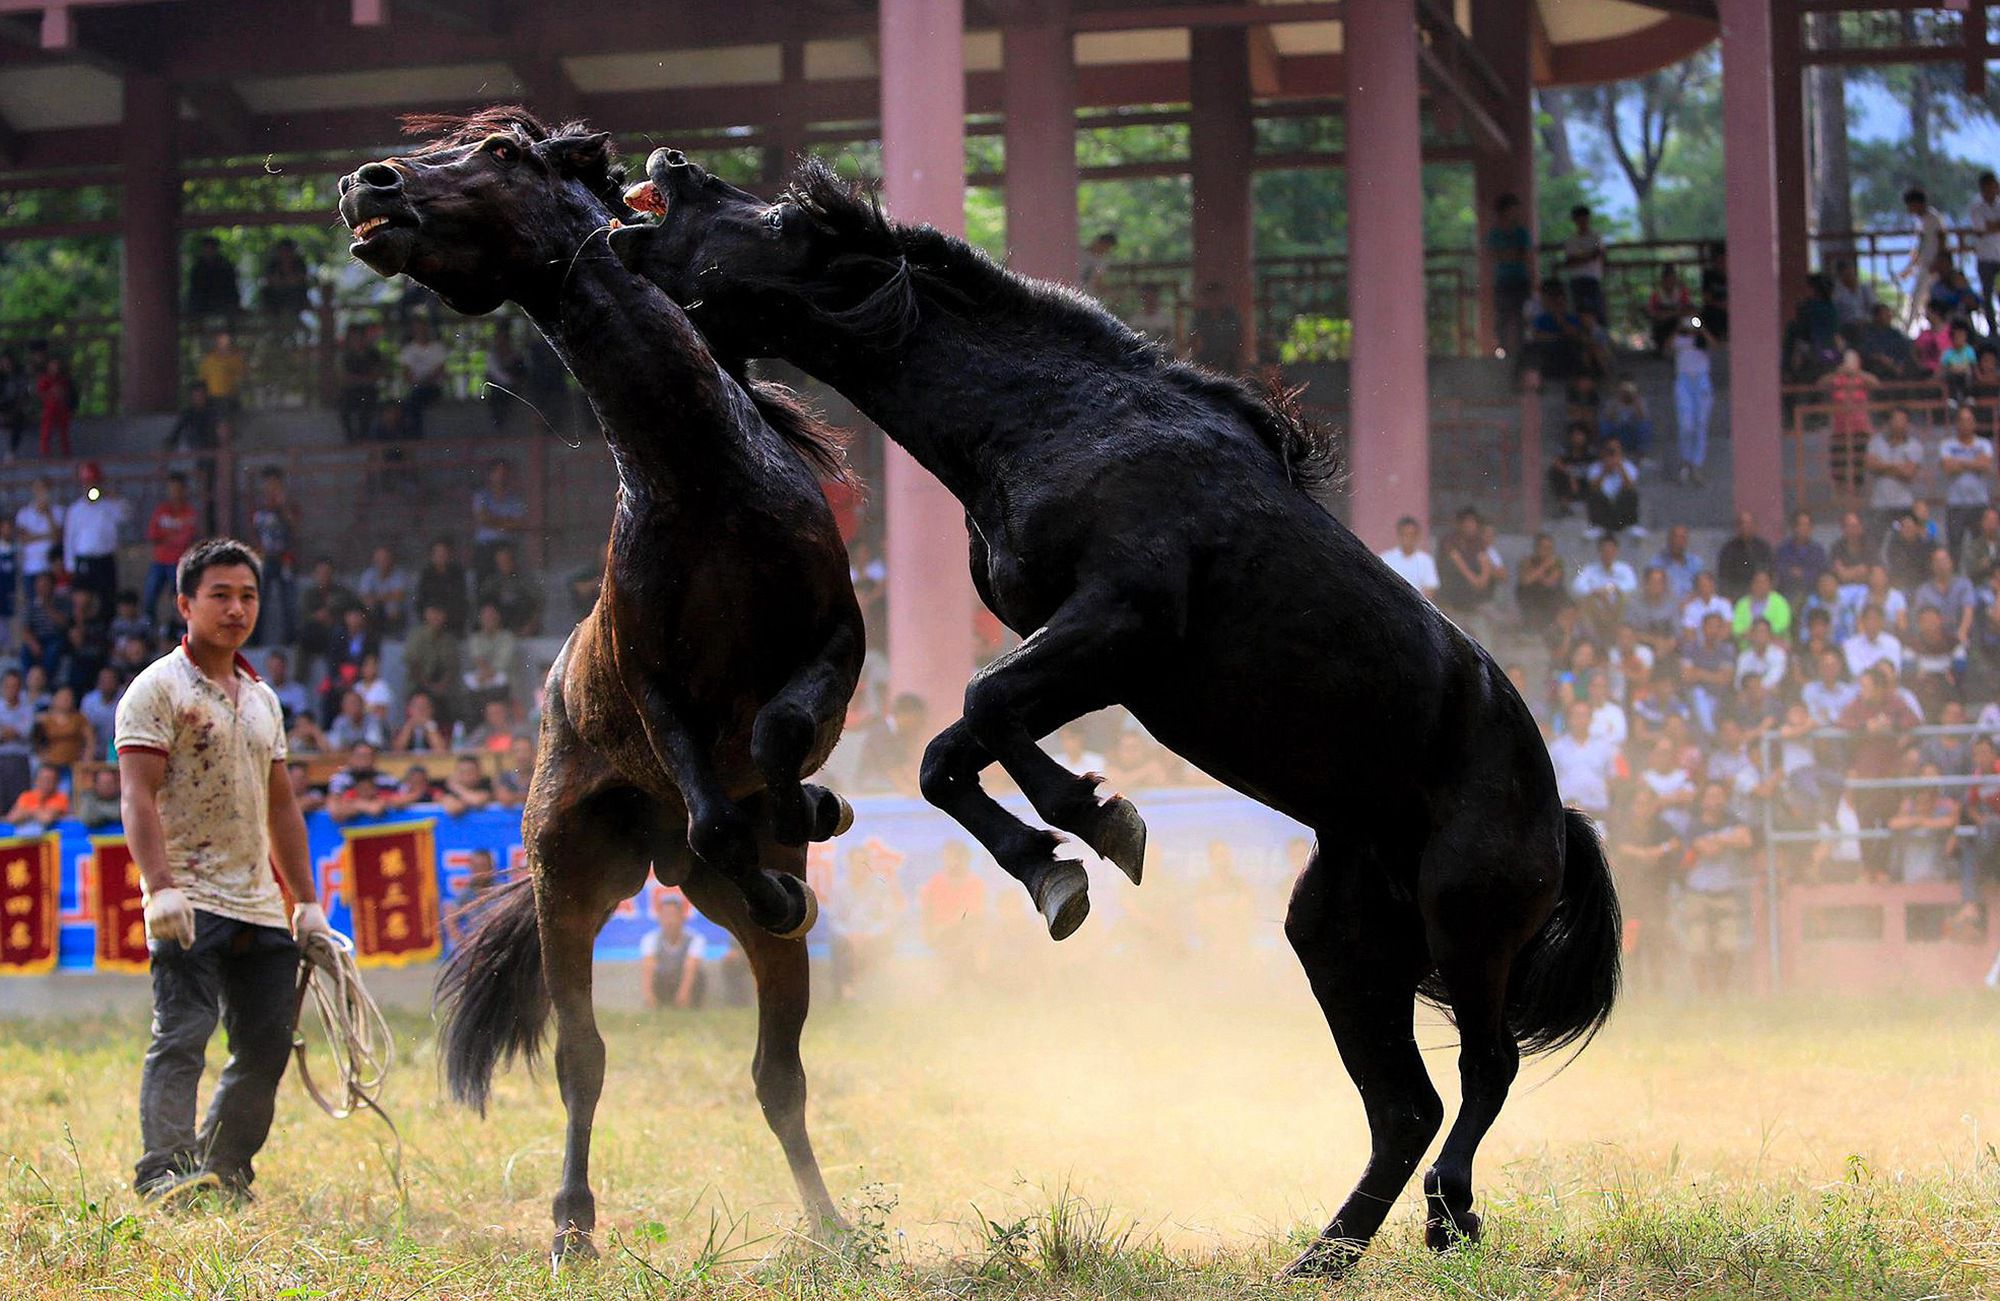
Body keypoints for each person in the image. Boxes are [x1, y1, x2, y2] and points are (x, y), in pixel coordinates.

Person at [117, 537, 328, 1202]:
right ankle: (163, 1173)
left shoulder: (264, 698)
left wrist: (306, 900)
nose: (237, 608)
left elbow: (283, 805)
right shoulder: (157, 689)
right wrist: (160, 886)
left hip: (259, 900)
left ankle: (222, 1167)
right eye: (220, 595)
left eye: (248, 596)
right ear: (185, 603)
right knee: (183, 1034)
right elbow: (136, 795)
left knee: (268, 1043)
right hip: (190, 893)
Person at [1674, 783, 1754, 995]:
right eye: (1711, 795)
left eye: (1720, 795)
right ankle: (1704, 992)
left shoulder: (1733, 820)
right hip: (1698, 893)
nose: (1716, 800)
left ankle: (1721, 991)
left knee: (1727, 947)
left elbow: (1746, 839)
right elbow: (1708, 851)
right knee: (1698, 947)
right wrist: (1728, 839)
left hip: (1725, 892)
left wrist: (1717, 838)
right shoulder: (1695, 825)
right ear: (1703, 800)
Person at [640, 888, 709, 1010]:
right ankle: (659, 1007)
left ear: (682, 917)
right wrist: (648, 995)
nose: (670, 921)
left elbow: (691, 965)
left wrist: (683, 993)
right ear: (659, 918)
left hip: (683, 980)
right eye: (666, 916)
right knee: (658, 976)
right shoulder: (651, 939)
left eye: (673, 915)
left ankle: (692, 1007)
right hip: (665, 981)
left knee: (698, 975)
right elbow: (648, 966)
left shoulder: (695, 939)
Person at [1940, 404, 1996, 551]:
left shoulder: (1984, 444)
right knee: (1955, 545)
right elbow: (1948, 468)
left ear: (1974, 423)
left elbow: (1985, 466)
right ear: (1957, 423)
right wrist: (1974, 462)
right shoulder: (1947, 444)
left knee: (1981, 546)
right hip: (1955, 504)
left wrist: (1959, 462)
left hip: (1979, 503)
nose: (1965, 424)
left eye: (1969, 420)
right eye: (1962, 420)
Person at [1436, 507, 1497, 636]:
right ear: (1460, 524)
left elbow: (1484, 576)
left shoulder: (1479, 544)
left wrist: (1480, 580)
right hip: (1452, 601)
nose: (1470, 526)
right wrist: (1476, 581)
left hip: (1475, 603)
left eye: (1473, 523)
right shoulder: (1449, 542)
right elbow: (1461, 568)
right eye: (1467, 522)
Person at [1487, 193, 1533, 356]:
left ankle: (1522, 352)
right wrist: (1513, 254)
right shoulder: (1494, 234)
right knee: (1502, 317)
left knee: (1523, 317)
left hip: (1521, 280)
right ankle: (1503, 350)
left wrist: (1508, 254)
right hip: (1503, 281)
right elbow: (1495, 255)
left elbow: (1526, 256)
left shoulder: (1522, 232)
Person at [1670, 316, 1715, 483]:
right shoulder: (1679, 339)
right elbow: (1666, 349)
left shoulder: (1702, 338)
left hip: (1702, 381)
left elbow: (1714, 345)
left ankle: (1696, 464)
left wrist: (1701, 329)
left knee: (1700, 424)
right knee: (1685, 424)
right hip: (1683, 381)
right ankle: (1685, 462)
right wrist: (1679, 329)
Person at [470, 458, 528, 577]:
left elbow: (518, 523)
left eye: (504, 473)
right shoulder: (482, 495)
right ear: (490, 475)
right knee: (483, 579)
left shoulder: (515, 498)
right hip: (485, 544)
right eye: (497, 472)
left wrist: (492, 520)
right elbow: (482, 519)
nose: (501, 476)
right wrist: (506, 521)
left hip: (507, 544)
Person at [1902, 187, 1950, 327]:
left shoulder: (1933, 217)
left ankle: (1910, 326)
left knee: (1919, 297)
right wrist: (1912, 265)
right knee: (1922, 298)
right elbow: (1921, 245)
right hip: (1925, 264)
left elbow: (1942, 240)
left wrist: (1939, 261)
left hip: (1934, 265)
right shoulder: (1920, 220)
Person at [397, 320, 449, 440]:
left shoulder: (437, 347)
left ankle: (415, 435)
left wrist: (425, 380)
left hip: (433, 387)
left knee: (414, 400)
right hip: (416, 388)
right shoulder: (408, 350)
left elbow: (440, 370)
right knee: (412, 401)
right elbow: (406, 373)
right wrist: (416, 382)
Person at [1583, 438, 1641, 540]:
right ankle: (1597, 526)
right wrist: (1605, 471)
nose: (1612, 453)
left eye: (1615, 450)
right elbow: (1593, 488)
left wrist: (1620, 468)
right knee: (1594, 494)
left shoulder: (1628, 466)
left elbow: (1630, 486)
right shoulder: (1595, 467)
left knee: (1631, 493)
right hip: (1604, 509)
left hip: (1620, 509)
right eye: (1609, 450)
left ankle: (1631, 525)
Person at [336, 325, 385, 444]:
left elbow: (375, 376)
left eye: (359, 337)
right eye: (354, 338)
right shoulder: (346, 355)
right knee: (343, 406)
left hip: (369, 391)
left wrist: (359, 379)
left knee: (366, 406)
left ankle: (363, 437)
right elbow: (344, 377)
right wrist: (362, 379)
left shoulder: (374, 353)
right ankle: (351, 438)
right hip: (351, 391)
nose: (357, 341)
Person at [1561, 205, 1607, 324]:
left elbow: (1599, 254)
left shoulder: (1596, 237)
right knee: (1579, 312)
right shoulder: (1571, 239)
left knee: (1596, 311)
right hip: (1577, 279)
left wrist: (1580, 258)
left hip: (1593, 278)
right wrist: (1588, 256)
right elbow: (1570, 261)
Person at [1513, 532, 1568, 632]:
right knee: (1522, 590)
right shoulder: (1527, 561)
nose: (1546, 551)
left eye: (1549, 548)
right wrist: (1544, 567)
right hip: (1531, 595)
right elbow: (1525, 580)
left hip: (1549, 595)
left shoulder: (1556, 562)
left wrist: (1537, 575)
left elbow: (1550, 581)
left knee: (1559, 591)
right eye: (1543, 548)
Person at [1377, 515, 1438, 600]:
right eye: (1405, 535)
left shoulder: (1426, 561)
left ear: (1417, 536)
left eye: (1411, 535)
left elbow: (1430, 590)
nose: (1408, 539)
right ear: (1399, 535)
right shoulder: (1385, 558)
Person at [184, 236, 241, 321]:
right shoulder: (198, 267)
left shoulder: (225, 266)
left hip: (222, 303)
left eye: (211, 248)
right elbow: (195, 289)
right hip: (202, 304)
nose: (208, 250)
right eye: (206, 247)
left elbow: (231, 288)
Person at [1970, 171, 2000, 330]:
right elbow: (1980, 229)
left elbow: (1987, 227)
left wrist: (1991, 226)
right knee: (1988, 297)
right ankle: (1993, 330)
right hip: (1985, 258)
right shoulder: (1976, 207)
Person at [1599, 381, 1653, 463]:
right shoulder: (1613, 402)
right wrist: (1617, 404)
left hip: (1632, 431)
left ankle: (1642, 455)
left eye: (1629, 393)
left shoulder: (1640, 402)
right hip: (1618, 430)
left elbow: (1643, 418)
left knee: (1645, 425)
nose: (1627, 395)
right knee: (1604, 424)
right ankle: (1606, 452)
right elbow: (1607, 418)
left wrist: (1636, 404)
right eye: (1624, 392)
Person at [5, 762, 69, 828]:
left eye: (50, 780)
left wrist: (27, 812)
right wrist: (35, 812)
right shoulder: (26, 796)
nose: (46, 784)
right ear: (36, 780)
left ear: (56, 782)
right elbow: (12, 818)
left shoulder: (61, 798)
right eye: (43, 779)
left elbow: (46, 819)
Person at [1646, 266, 1693, 353]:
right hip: (1662, 324)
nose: (1670, 282)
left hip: (1678, 322)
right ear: (1663, 281)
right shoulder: (1656, 294)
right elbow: (1652, 312)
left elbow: (1688, 309)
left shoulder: (1682, 292)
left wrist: (1673, 313)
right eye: (1668, 280)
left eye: (1672, 279)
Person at [35, 357, 72, 457]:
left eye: (57, 365)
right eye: (53, 365)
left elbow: (68, 394)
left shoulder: (63, 379)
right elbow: (40, 394)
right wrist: (51, 392)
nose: (55, 367)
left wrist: (62, 394)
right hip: (49, 409)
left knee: (64, 432)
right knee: (46, 430)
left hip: (62, 408)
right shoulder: (44, 379)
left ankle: (66, 452)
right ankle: (45, 452)